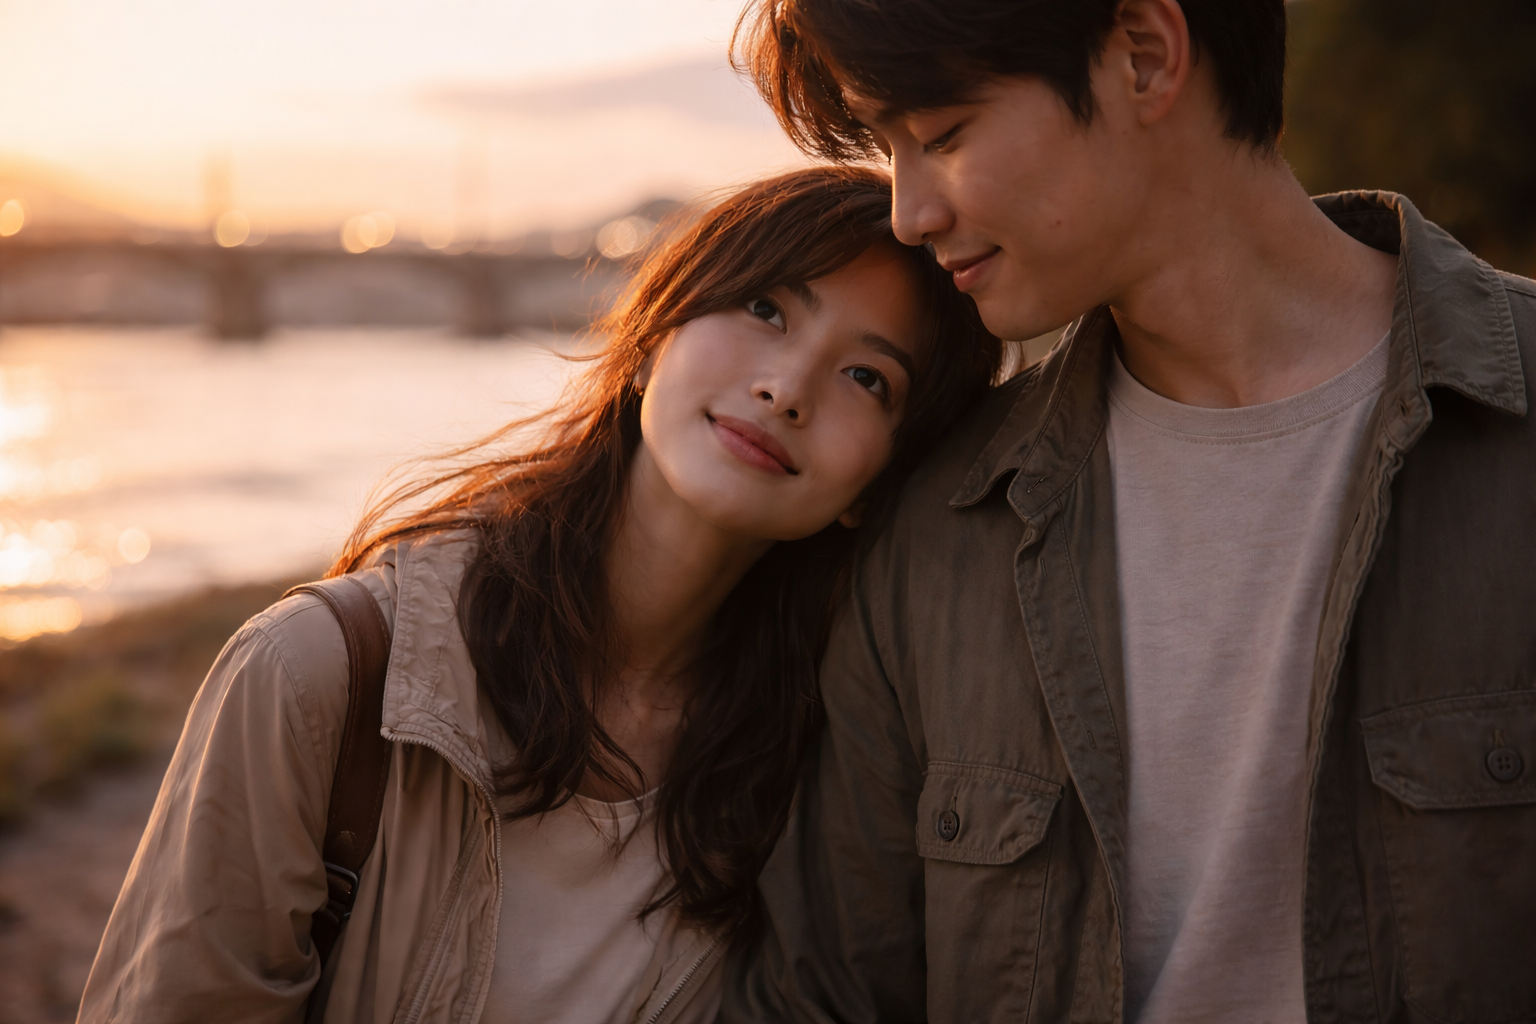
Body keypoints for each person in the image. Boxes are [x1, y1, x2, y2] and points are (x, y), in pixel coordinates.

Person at [725, 2, 1536, 1022]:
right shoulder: (938, 530)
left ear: (1144, 56)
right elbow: (823, 997)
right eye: (890, 152)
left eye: (939, 137)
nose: (909, 212)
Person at [77, 166, 1000, 1024]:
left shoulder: (820, 764)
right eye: (765, 309)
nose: (787, 386)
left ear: (879, 486)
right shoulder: (323, 677)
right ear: (648, 343)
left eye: (866, 377)